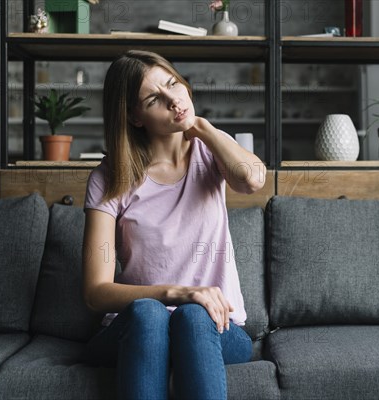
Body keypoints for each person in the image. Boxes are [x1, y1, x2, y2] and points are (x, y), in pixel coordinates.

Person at [82, 50, 266, 400]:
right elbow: (95, 292)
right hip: (137, 330)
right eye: (154, 98)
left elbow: (252, 180)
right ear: (135, 117)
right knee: (152, 313)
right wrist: (176, 293)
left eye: (173, 83)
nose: (173, 100)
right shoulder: (109, 179)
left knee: (194, 318)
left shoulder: (210, 152)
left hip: (215, 328)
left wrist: (201, 127)